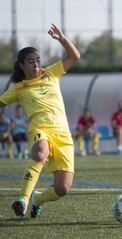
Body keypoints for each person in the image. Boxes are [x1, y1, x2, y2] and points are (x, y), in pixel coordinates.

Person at [0, 23, 80, 218]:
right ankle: (23, 200)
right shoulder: (18, 88)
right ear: (21, 65)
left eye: (37, 60)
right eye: (30, 61)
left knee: (62, 188)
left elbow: (75, 57)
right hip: (40, 128)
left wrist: (62, 39)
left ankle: (37, 200)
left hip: (63, 135)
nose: (36, 64)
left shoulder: (51, 73)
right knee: (40, 154)